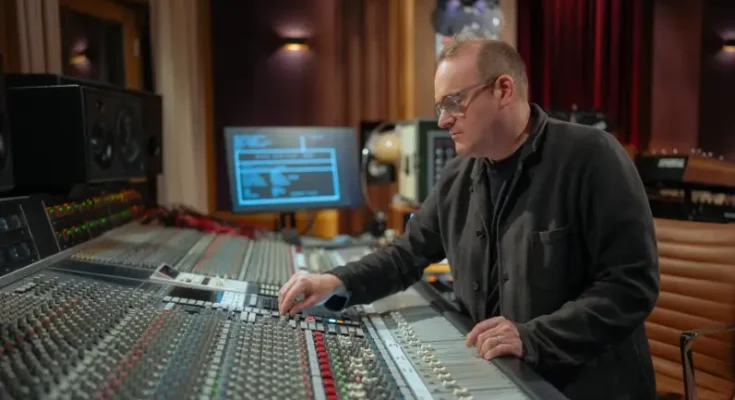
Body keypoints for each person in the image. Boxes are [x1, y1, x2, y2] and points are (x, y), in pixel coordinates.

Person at [278, 35, 659, 400]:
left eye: (453, 102)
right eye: (440, 107)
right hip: (500, 375)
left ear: (503, 90)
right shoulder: (459, 176)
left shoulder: (591, 156)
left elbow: (630, 286)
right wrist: (336, 281)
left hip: (581, 385)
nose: (444, 120)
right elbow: (406, 255)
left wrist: (533, 338)